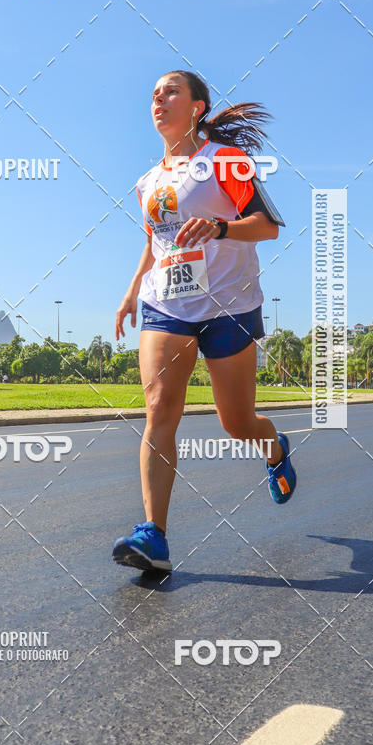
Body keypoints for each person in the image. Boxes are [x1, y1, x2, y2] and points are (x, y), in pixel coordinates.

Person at [113, 70, 296, 572]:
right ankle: (154, 536)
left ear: (197, 106)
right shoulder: (147, 182)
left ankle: (273, 447)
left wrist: (218, 227)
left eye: (170, 91)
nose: (158, 99)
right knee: (159, 408)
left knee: (236, 423)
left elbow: (269, 226)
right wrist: (131, 293)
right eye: (153, 93)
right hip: (166, 304)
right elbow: (156, 242)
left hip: (230, 306)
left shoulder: (226, 162)